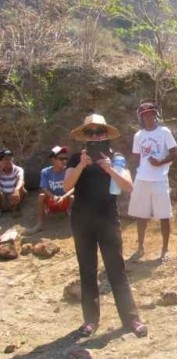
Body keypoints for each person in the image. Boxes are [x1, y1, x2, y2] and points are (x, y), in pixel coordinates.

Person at [64, 113, 147, 338]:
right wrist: (82, 164)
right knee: (87, 271)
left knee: (116, 270)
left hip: (108, 220)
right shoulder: (74, 159)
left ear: (105, 134)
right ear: (84, 136)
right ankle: (90, 320)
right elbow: (66, 185)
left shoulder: (117, 157)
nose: (94, 136)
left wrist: (110, 169)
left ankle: (132, 320)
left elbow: (128, 186)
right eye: (89, 132)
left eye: (98, 131)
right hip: (82, 221)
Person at [128, 101, 177, 263]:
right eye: (145, 115)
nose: (149, 117)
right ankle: (140, 247)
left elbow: (174, 153)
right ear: (141, 117)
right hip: (142, 179)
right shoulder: (139, 136)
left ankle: (165, 249)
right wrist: (145, 168)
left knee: (164, 216)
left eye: (151, 114)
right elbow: (138, 156)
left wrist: (161, 162)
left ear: (156, 115)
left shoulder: (164, 132)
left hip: (159, 179)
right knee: (141, 216)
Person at [27, 146, 74, 234]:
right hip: (52, 201)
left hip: (65, 201)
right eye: (61, 159)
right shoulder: (46, 172)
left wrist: (64, 197)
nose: (64, 161)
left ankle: (73, 225)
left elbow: (74, 187)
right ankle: (39, 224)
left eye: (66, 158)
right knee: (41, 196)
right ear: (53, 160)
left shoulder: (69, 170)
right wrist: (53, 197)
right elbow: (44, 188)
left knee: (73, 197)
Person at [0, 149, 26, 216]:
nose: (8, 161)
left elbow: (21, 180)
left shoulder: (18, 169)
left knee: (21, 187)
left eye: (10, 158)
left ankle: (15, 209)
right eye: (5, 159)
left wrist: (16, 189)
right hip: (3, 197)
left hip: (14, 195)